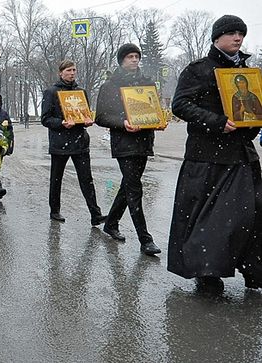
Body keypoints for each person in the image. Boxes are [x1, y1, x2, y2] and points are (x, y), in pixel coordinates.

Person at [168, 15, 262, 290]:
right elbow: (180, 105)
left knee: (252, 214)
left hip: (243, 155)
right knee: (212, 220)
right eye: (232, 33)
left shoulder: (246, 71)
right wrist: (217, 123)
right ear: (217, 37)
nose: (238, 38)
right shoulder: (199, 69)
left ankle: (253, 269)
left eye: (241, 33)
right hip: (208, 157)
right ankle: (207, 272)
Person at [94, 44, 162, 257]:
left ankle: (111, 223)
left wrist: (158, 120)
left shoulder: (147, 83)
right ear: (121, 60)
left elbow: (153, 108)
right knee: (134, 188)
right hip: (124, 142)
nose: (134, 60)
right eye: (129, 56)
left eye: (136, 56)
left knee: (127, 185)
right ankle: (145, 239)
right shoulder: (110, 86)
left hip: (143, 141)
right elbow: (101, 117)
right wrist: (123, 123)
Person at [41, 59, 106, 226]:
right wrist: (61, 123)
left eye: (74, 70)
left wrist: (87, 121)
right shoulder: (51, 92)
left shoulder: (81, 92)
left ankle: (95, 214)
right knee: (56, 178)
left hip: (79, 141)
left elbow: (85, 114)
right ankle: (54, 210)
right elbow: (46, 119)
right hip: (60, 142)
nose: (71, 73)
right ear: (60, 72)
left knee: (87, 179)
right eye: (68, 70)